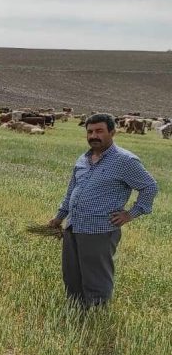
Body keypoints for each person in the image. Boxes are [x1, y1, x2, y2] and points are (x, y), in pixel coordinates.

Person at [48, 113, 158, 307]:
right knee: (72, 275)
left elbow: (149, 187)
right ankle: (76, 312)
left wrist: (130, 214)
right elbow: (71, 191)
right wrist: (59, 218)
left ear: (112, 132)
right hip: (73, 226)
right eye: (90, 132)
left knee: (96, 278)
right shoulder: (83, 159)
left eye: (99, 131)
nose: (94, 136)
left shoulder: (125, 160)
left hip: (100, 229)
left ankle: (96, 317)